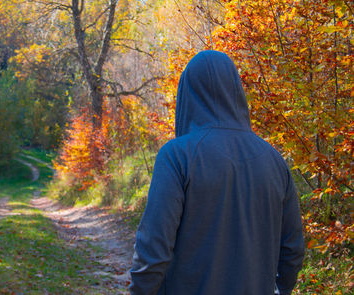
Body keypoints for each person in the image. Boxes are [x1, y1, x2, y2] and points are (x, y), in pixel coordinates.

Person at [129, 50, 304, 295]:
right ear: (235, 92)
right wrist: (280, 289)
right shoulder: (275, 161)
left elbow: (153, 250)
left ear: (187, 95)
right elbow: (293, 249)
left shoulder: (177, 156)